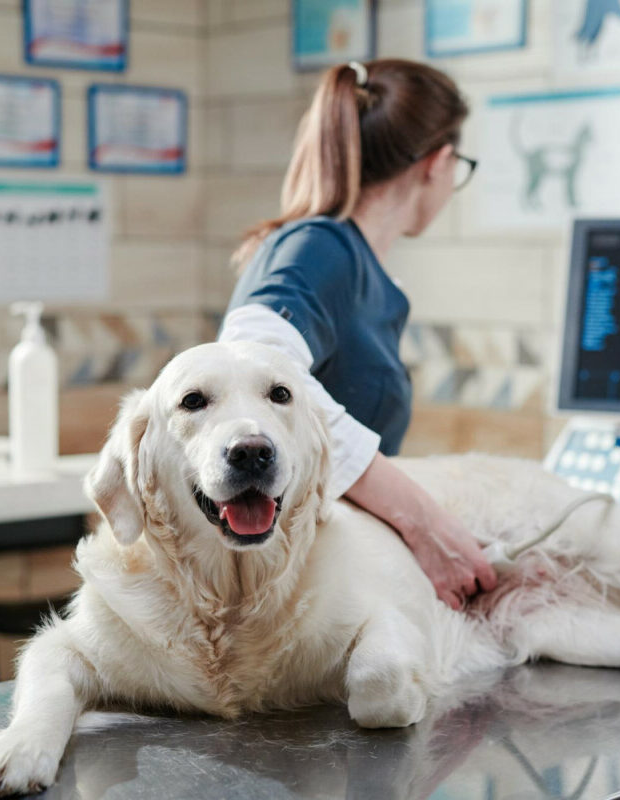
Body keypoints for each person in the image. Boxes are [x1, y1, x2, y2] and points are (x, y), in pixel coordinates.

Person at [218, 58, 496, 610]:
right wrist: (423, 522)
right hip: (293, 595)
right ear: (437, 163)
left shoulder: (356, 266)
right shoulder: (321, 247)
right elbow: (247, 364)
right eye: (458, 165)